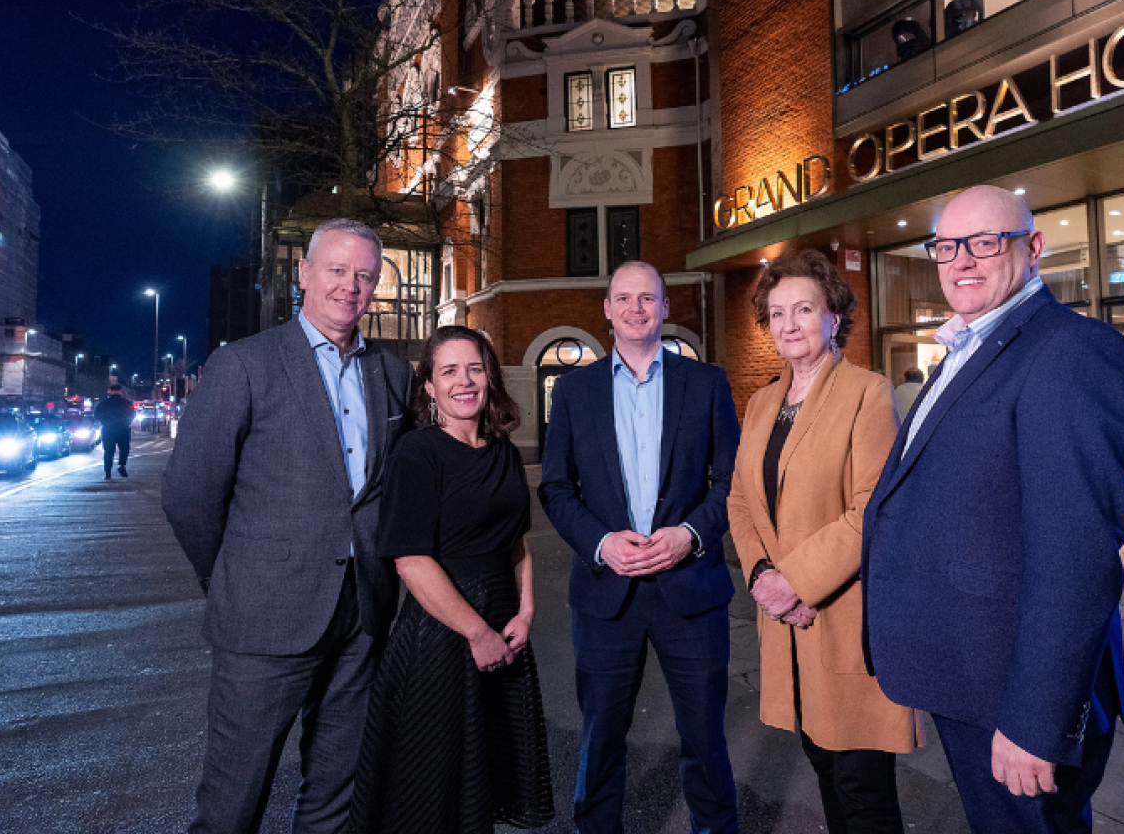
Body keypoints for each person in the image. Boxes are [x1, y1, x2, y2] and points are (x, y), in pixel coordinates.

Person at [861, 186, 1124, 834]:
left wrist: (1034, 720)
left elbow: (1076, 559)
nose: (962, 261)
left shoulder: (1069, 352)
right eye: (946, 246)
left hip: (1012, 694)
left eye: (986, 242)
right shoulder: (967, 346)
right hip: (971, 670)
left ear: (1033, 248)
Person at [162, 218, 413, 834]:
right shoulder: (244, 365)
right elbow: (190, 494)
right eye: (336, 270)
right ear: (303, 274)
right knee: (232, 800)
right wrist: (228, 576)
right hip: (262, 618)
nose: (350, 286)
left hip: (361, 616)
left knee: (336, 791)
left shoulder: (391, 373)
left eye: (364, 275)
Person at [538, 260, 740, 834]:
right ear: (606, 310)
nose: (635, 308)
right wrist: (600, 543)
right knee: (600, 736)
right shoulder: (574, 391)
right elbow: (554, 486)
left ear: (665, 307)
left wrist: (690, 535)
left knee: (704, 736)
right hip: (607, 596)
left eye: (647, 298)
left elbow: (731, 483)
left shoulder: (706, 384)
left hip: (691, 592)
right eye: (623, 298)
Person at [727, 250, 919, 834]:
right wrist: (762, 574)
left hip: (842, 619)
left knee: (862, 787)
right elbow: (740, 501)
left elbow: (872, 510)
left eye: (804, 309)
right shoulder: (763, 402)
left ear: (833, 315)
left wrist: (795, 582)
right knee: (822, 764)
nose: (788, 325)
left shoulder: (867, 392)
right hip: (786, 622)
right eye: (777, 313)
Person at [352, 326, 553, 833]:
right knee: (433, 785)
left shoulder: (504, 451)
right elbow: (410, 561)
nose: (464, 381)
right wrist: (477, 633)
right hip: (441, 634)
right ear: (429, 386)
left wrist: (525, 613)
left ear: (490, 378)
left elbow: (517, 542)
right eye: (449, 371)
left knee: (486, 775)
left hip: (503, 626)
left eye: (475, 368)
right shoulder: (417, 453)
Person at [94, 382, 133, 480]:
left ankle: (107, 473)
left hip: (108, 429)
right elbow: (132, 415)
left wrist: (105, 421)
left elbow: (96, 415)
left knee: (108, 451)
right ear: (120, 391)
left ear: (110, 391)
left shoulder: (104, 403)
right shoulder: (127, 403)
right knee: (124, 449)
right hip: (123, 429)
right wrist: (126, 422)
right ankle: (121, 465)